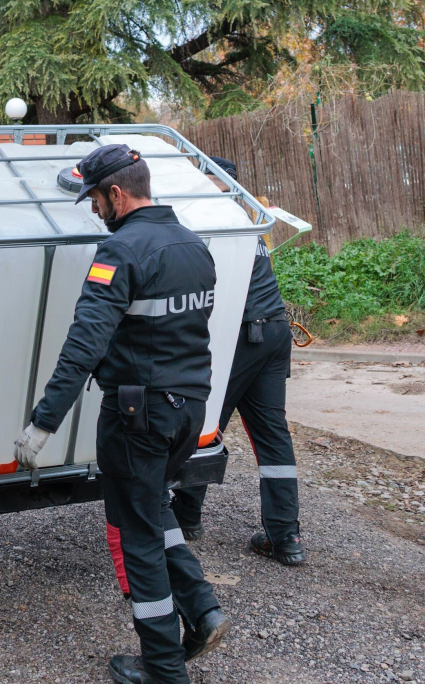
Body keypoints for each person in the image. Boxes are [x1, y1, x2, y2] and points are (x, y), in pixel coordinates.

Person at [13, 145, 229, 684]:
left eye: (94, 200)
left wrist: (43, 422)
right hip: (188, 411)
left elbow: (83, 345)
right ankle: (202, 610)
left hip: (138, 418)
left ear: (116, 193)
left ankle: (162, 667)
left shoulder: (121, 253)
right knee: (153, 508)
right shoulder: (193, 245)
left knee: (137, 538)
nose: (92, 212)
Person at [170, 157, 305, 566]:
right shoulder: (244, 218)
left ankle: (186, 518)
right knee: (272, 436)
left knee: (201, 425)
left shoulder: (208, 220)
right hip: (274, 330)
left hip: (240, 337)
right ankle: (286, 539)